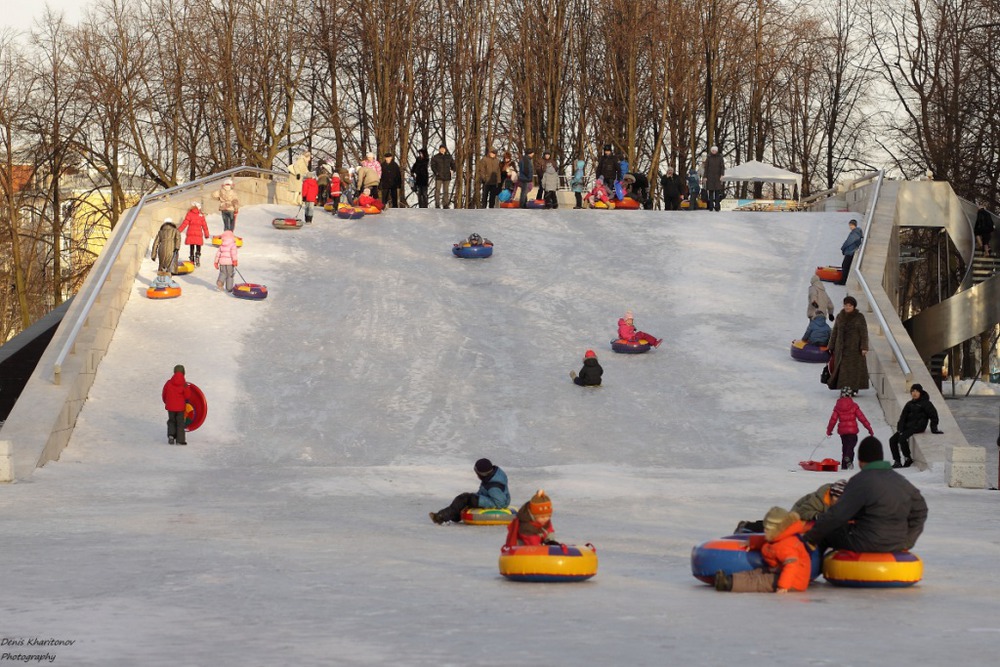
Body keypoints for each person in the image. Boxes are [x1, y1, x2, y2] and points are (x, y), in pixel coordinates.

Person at [802, 436, 928, 554]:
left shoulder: (861, 481)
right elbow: (920, 510)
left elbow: (837, 515)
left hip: (867, 542)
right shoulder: (902, 482)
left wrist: (811, 537)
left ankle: (807, 570)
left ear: (860, 461)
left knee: (827, 534)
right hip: (898, 542)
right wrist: (907, 541)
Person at [714, 506, 810, 593]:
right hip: (778, 571)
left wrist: (783, 586)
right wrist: (752, 542)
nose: (765, 531)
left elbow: (791, 565)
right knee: (756, 572)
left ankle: (729, 584)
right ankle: (729, 578)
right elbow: (766, 541)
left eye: (768, 530)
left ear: (777, 529)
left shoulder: (787, 544)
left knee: (760, 582)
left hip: (793, 581)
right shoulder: (779, 536)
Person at [735, 479, 847, 533]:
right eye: (836, 498)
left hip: (815, 524)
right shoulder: (818, 500)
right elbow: (804, 511)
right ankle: (748, 526)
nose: (838, 502)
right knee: (780, 527)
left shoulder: (842, 504)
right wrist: (817, 516)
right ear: (831, 495)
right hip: (799, 516)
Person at [430, 458, 510, 524]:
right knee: (465, 499)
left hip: (491, 502)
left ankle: (440, 517)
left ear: (482, 474)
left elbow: (501, 503)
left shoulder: (494, 486)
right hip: (487, 498)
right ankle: (455, 516)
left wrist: (480, 501)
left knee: (464, 499)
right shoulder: (490, 477)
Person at [889, 383, 942, 468]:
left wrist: (934, 428)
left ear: (920, 392)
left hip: (918, 426)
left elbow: (934, 415)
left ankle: (908, 458)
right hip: (907, 426)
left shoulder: (926, 403)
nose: (914, 393)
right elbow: (903, 417)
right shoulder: (909, 404)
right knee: (892, 440)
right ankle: (897, 461)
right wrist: (900, 428)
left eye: (916, 391)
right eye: (913, 391)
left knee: (902, 439)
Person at [826, 296, 868, 391]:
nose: (847, 307)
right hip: (840, 349)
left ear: (854, 306)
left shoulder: (859, 317)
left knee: (853, 371)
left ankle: (853, 388)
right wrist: (831, 345)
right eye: (846, 305)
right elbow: (835, 332)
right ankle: (844, 389)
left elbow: (864, 333)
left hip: (855, 349)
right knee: (843, 371)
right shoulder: (840, 316)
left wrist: (864, 347)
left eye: (849, 305)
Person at [827, 386, 874, 470]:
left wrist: (829, 431)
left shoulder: (838, 406)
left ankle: (844, 466)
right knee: (851, 447)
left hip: (843, 432)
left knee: (845, 447)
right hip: (852, 431)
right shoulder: (854, 405)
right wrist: (869, 428)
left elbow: (833, 420)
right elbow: (862, 418)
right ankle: (848, 458)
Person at [161, 364, 192, 446]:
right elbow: (188, 396)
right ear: (183, 373)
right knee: (180, 423)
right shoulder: (184, 384)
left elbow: (164, 394)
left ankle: (171, 436)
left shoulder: (168, 383)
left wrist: (166, 402)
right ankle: (180, 440)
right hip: (180, 408)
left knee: (171, 421)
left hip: (170, 407)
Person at [837, 219, 863, 285]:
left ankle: (843, 281)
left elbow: (849, 242)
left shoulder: (855, 233)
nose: (850, 227)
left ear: (855, 225)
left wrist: (843, 248)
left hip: (850, 252)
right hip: (851, 251)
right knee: (846, 266)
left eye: (851, 225)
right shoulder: (856, 232)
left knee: (845, 266)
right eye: (850, 225)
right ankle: (843, 280)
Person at [431, 144, 455, 208]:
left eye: (443, 148)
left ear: (445, 149)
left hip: (447, 176)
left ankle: (445, 204)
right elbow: (433, 166)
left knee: (446, 191)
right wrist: (436, 172)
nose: (442, 150)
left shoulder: (449, 157)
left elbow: (453, 164)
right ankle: (437, 204)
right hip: (439, 176)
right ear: (439, 149)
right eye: (441, 148)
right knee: (437, 190)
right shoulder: (435, 157)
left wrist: (452, 170)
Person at [702, 146, 725, 211]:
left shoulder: (720, 157)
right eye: (712, 150)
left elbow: (722, 167)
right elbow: (706, 168)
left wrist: (722, 175)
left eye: (714, 150)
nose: (713, 151)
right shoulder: (709, 157)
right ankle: (711, 206)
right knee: (711, 193)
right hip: (710, 177)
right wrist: (705, 176)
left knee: (717, 193)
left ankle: (717, 206)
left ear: (716, 151)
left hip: (717, 177)